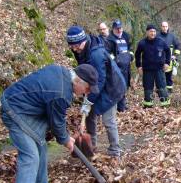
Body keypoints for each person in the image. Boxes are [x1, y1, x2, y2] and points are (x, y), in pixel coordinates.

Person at [0, 63, 99, 183]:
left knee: (40, 144)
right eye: (88, 89)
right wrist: (66, 140)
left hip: (25, 109)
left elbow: (54, 117)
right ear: (78, 81)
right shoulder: (61, 93)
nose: (87, 93)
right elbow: (57, 123)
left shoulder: (60, 71)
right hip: (14, 110)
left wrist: (65, 136)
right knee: (30, 157)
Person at [67, 26, 123, 158]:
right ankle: (90, 147)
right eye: (72, 47)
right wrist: (87, 97)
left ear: (83, 40)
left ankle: (115, 151)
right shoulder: (81, 50)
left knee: (108, 120)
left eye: (76, 46)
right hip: (95, 85)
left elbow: (100, 80)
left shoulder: (96, 54)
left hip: (111, 87)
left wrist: (89, 100)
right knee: (90, 115)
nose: (75, 49)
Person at [135, 24, 171, 108]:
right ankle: (148, 106)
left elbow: (168, 51)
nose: (153, 33)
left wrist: (167, 63)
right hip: (147, 70)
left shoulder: (161, 41)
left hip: (159, 69)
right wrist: (139, 66)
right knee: (148, 88)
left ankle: (165, 105)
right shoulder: (142, 43)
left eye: (154, 31)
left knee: (162, 87)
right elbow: (137, 55)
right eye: (151, 31)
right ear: (147, 32)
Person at [106, 19, 133, 112]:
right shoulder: (109, 39)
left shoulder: (126, 36)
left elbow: (130, 48)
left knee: (124, 86)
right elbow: (108, 53)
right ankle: (118, 107)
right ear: (113, 29)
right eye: (117, 28)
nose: (119, 30)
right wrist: (116, 60)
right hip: (116, 69)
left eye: (120, 28)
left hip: (126, 67)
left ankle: (122, 105)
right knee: (117, 87)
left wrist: (131, 56)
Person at [158, 21, 181, 93]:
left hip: (169, 60)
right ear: (161, 27)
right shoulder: (157, 36)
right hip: (159, 60)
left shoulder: (172, 36)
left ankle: (169, 90)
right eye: (163, 26)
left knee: (169, 76)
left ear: (168, 27)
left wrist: (175, 55)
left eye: (166, 26)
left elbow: (178, 46)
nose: (165, 28)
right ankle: (160, 90)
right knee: (160, 76)